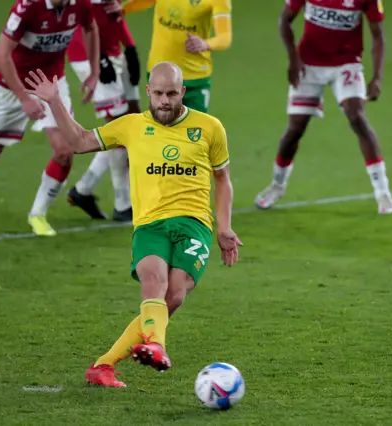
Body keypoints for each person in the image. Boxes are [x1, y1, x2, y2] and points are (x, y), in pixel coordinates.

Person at [25, 62, 243, 388]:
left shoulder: (210, 128)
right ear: (148, 93)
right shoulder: (131, 126)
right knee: (153, 280)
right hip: (150, 225)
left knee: (175, 295)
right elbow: (80, 142)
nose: (165, 101)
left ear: (182, 92)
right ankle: (155, 345)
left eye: (171, 93)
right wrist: (55, 101)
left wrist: (224, 227)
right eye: (158, 94)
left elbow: (223, 179)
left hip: (193, 224)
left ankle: (103, 366)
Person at [254, 0, 392, 215]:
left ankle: (382, 191)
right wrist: (293, 59)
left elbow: (378, 35)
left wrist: (377, 78)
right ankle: (277, 185)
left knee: (357, 117)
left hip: (346, 63)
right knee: (295, 128)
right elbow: (285, 20)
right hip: (308, 64)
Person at [0, 0, 99, 235]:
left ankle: (38, 214)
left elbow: (91, 27)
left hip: (51, 83)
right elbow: (1, 54)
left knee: (65, 151)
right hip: (12, 86)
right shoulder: (27, 7)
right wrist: (24, 98)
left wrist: (94, 72)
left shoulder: (81, 4)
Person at [65, 0, 141, 221]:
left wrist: (131, 47)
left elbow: (114, 10)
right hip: (88, 54)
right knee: (120, 127)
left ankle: (83, 190)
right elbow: (80, 14)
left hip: (112, 49)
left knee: (134, 120)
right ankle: (123, 204)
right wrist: (97, 58)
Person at [108, 0, 232, 113]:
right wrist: (125, 8)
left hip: (194, 77)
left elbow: (225, 37)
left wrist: (205, 44)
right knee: (161, 130)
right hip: (160, 72)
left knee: (194, 132)